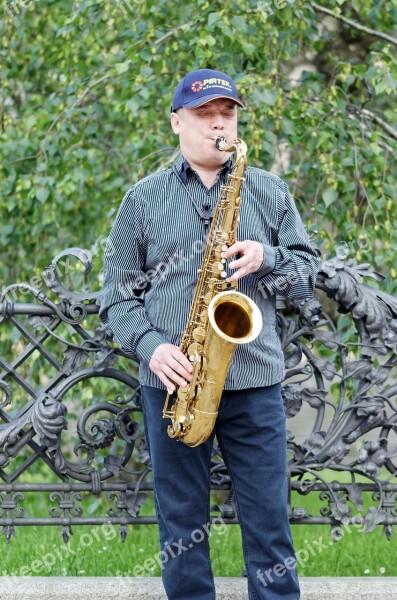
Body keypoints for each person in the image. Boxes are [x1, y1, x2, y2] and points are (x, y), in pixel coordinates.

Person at [99, 68, 320, 600]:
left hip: (253, 380)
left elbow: (309, 272)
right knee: (180, 527)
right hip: (173, 384)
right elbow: (115, 297)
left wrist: (268, 257)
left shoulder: (266, 189)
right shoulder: (142, 200)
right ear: (177, 122)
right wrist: (152, 349)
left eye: (228, 113)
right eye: (205, 115)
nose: (219, 125)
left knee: (269, 520)